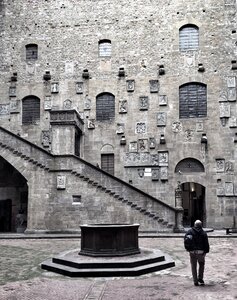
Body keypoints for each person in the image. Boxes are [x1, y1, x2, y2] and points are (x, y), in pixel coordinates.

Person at [184, 220, 210, 286]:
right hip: (201, 252)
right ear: (201, 225)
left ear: (194, 225)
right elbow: (206, 243)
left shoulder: (189, 232)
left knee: (193, 266)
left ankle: (195, 281)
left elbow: (186, 241)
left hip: (192, 252)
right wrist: (206, 251)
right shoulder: (203, 233)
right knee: (201, 264)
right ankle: (200, 278)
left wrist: (188, 249)